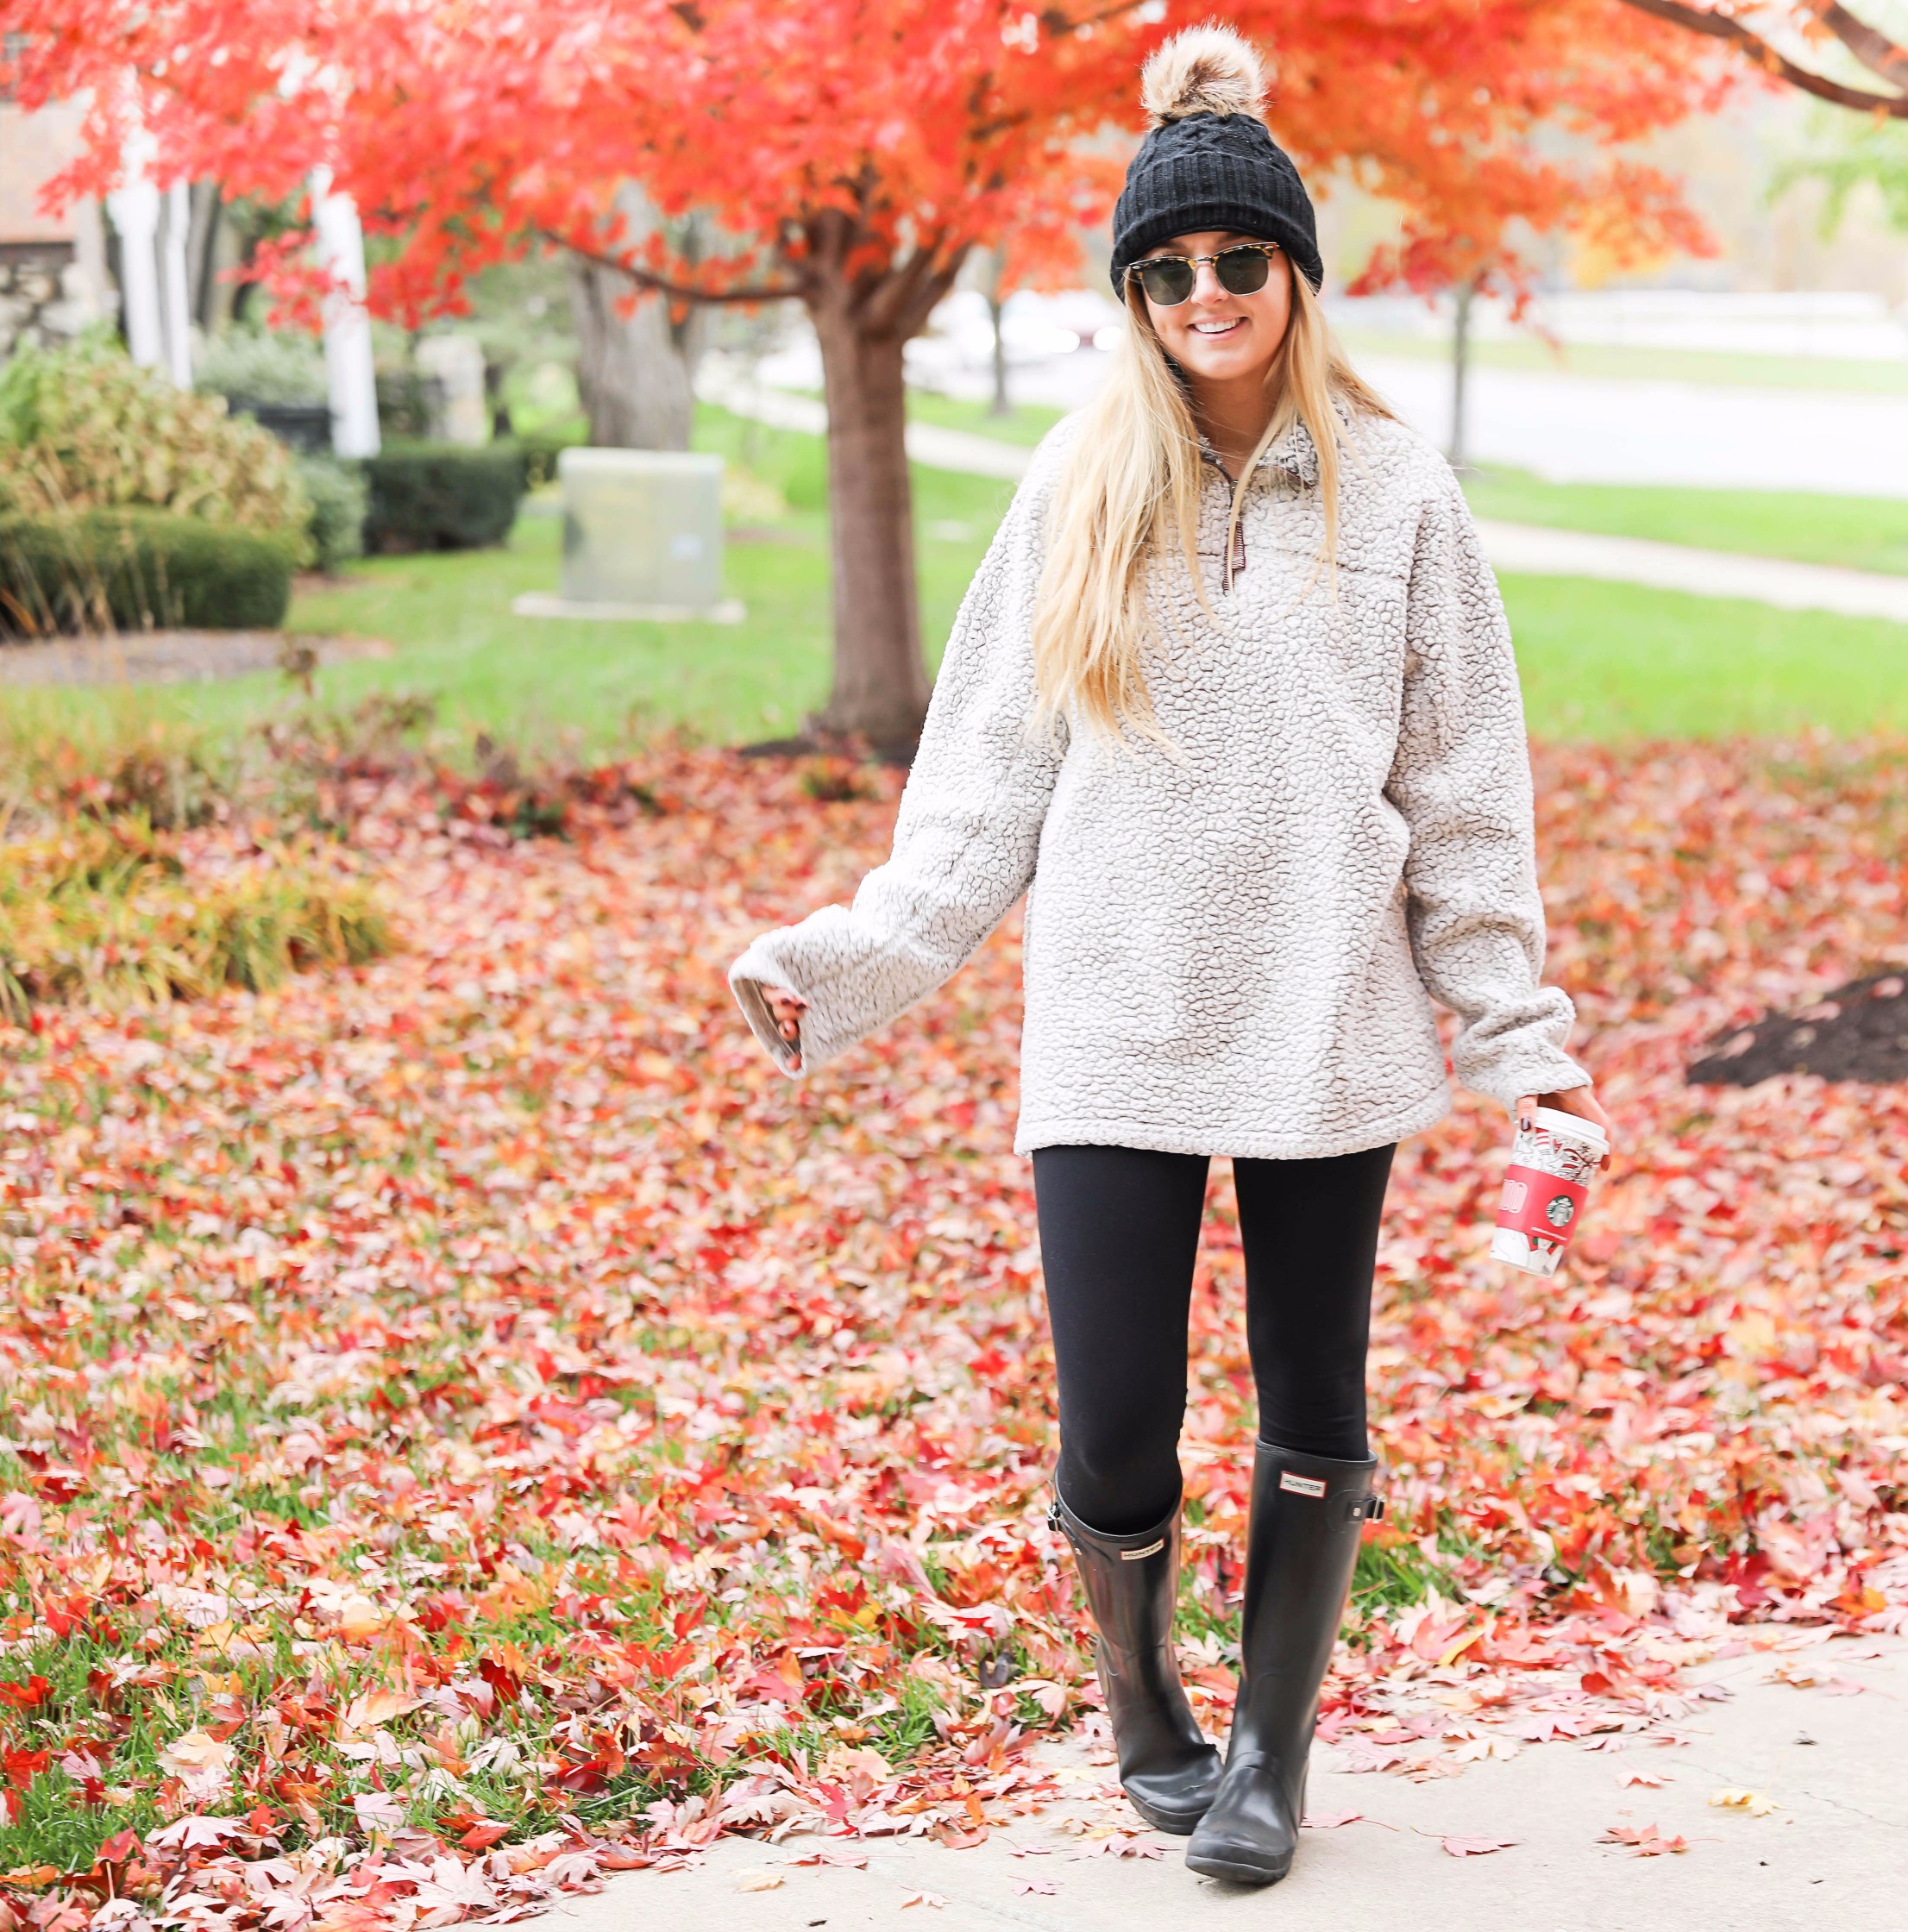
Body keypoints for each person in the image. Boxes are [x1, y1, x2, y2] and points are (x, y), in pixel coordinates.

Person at [724, 24, 1609, 1889]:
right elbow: (978, 790)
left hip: (1324, 1027)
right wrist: (856, 958)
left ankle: (1272, 1752)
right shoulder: (1076, 492)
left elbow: (1465, 805)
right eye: (1170, 272)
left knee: (1314, 1400)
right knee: (1115, 1421)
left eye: (1240, 263)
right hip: (1116, 1020)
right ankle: (1144, 1708)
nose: (1208, 296)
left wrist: (1521, 1043)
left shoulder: (1403, 498)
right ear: (1139, 296)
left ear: (1296, 276)